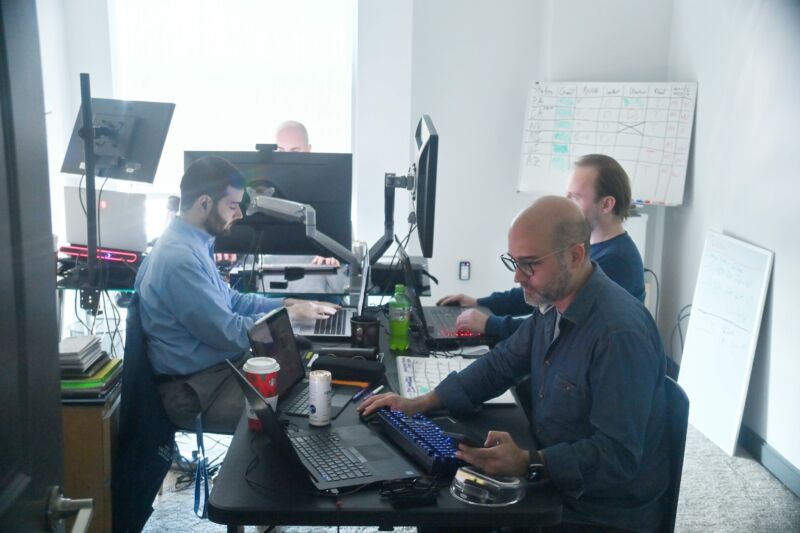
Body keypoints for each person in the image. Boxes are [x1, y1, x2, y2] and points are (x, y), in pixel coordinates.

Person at [360, 196, 669, 532]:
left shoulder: (618, 335)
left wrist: (528, 463)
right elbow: (501, 364)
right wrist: (419, 403)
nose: (517, 277)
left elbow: (616, 457)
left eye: (530, 264)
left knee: (447, 513)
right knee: (441, 503)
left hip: (598, 510)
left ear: (575, 255)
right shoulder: (554, 303)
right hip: (553, 467)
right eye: (514, 262)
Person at [135, 156, 338, 433]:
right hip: (196, 389)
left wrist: (285, 303)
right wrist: (286, 317)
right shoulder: (179, 259)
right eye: (232, 206)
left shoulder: (193, 242)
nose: (240, 214)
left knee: (311, 377)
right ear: (204, 203)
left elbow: (232, 301)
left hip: (218, 370)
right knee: (297, 415)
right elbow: (228, 332)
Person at [438, 154, 645, 339]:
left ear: (607, 204)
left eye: (575, 197)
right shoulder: (590, 245)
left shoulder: (618, 261)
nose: (566, 202)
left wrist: (490, 324)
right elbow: (539, 287)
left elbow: (556, 327)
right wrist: (481, 303)